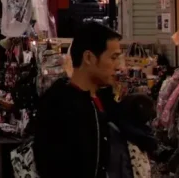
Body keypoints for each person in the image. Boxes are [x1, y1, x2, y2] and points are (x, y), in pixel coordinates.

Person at [33, 22, 122, 178]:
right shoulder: (59, 106)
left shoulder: (105, 102)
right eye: (113, 58)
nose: (119, 66)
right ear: (89, 57)